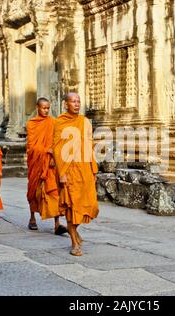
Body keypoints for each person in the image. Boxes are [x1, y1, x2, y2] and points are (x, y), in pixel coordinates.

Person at [53, 93, 99, 256]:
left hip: (85, 167)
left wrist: (93, 168)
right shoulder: (60, 122)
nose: (77, 104)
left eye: (79, 101)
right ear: (66, 104)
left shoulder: (85, 122)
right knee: (72, 207)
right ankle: (74, 243)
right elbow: (58, 150)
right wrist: (62, 173)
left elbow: (89, 144)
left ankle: (75, 231)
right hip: (69, 170)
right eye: (73, 101)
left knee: (90, 205)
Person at [26, 97, 67, 235]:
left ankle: (57, 224)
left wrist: (53, 156)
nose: (46, 110)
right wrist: (45, 150)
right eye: (43, 108)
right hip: (36, 163)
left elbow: (57, 142)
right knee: (34, 191)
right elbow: (31, 147)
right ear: (37, 107)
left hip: (50, 164)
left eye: (48, 108)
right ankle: (32, 219)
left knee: (53, 191)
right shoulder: (32, 124)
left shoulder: (53, 122)